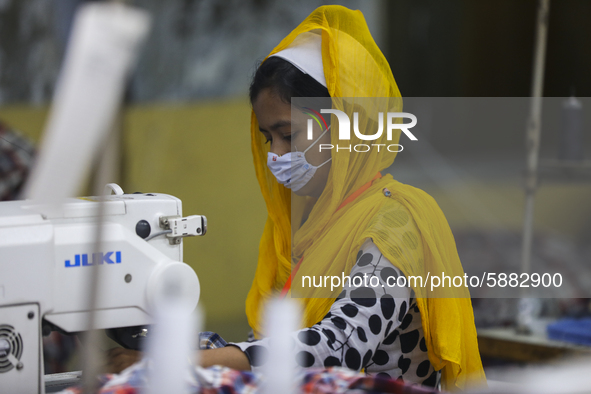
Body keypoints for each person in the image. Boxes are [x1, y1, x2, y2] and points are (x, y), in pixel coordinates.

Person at [108, 5, 486, 391]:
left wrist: (183, 359)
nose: (276, 154)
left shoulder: (394, 223)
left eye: (289, 135)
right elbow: (271, 345)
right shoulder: (310, 224)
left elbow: (335, 347)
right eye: (268, 138)